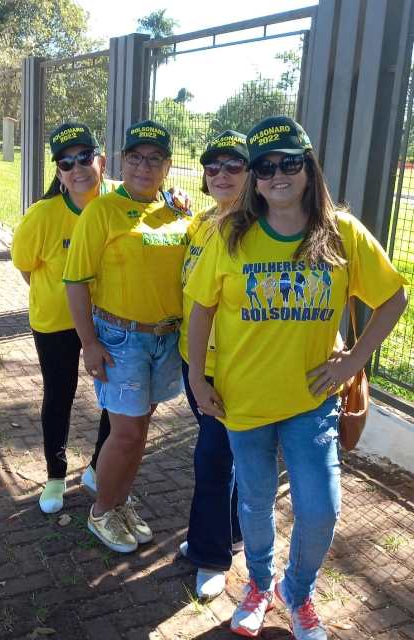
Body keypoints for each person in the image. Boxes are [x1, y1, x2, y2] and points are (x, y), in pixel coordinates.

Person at [185, 115, 407, 639]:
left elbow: (393, 298)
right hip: (243, 400)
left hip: (311, 402)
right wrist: (197, 377)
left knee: (321, 507)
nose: (277, 174)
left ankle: (297, 591)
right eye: (265, 166)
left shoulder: (340, 233)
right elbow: (200, 309)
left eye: (289, 162)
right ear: (255, 178)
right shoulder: (231, 235)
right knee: (256, 502)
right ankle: (259, 585)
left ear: (308, 167)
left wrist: (353, 362)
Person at [63, 119, 194, 553]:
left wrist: (183, 208)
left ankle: (118, 500)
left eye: (154, 158)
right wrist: (89, 344)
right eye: (135, 157)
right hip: (121, 339)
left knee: (140, 430)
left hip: (165, 339)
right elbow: (76, 281)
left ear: (168, 166)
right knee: (125, 433)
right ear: (122, 161)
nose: (144, 165)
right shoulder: (102, 211)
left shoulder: (175, 209)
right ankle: (102, 511)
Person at [12, 122, 117, 514]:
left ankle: (96, 468)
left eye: (84, 157)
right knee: (59, 394)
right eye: (66, 161)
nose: (77, 168)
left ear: (100, 161)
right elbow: (26, 266)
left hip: (107, 321)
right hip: (54, 323)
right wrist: (54, 296)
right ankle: (55, 476)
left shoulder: (116, 205)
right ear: (58, 172)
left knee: (114, 396)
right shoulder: (42, 215)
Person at [179, 131, 248, 599]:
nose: (221, 174)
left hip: (235, 366)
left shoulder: (259, 229)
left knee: (213, 458)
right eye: (212, 167)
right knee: (227, 453)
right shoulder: (201, 222)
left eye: (233, 166)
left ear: (253, 172)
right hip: (195, 359)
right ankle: (233, 534)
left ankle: (210, 554)